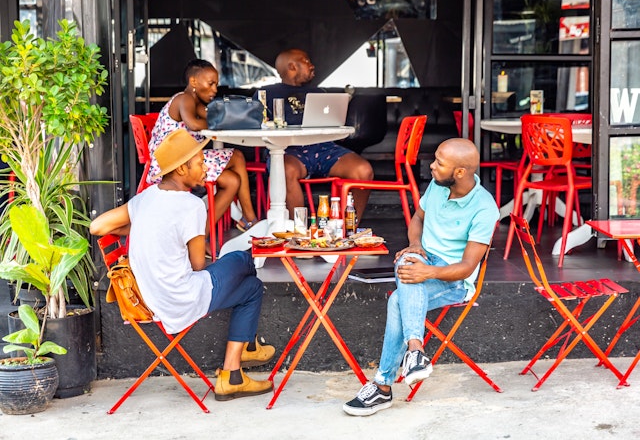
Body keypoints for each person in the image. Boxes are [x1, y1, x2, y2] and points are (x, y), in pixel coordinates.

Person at [90, 128, 274, 401]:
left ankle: (235, 371)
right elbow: (198, 265)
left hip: (150, 297)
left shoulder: (145, 199)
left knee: (251, 287)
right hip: (181, 299)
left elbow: (97, 226)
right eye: (200, 163)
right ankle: (240, 355)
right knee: (243, 259)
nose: (205, 168)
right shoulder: (191, 205)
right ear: (180, 169)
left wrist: (150, 226)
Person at [343, 138, 499, 416]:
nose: (432, 166)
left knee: (397, 301)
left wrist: (430, 271)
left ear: (460, 172)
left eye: (440, 162)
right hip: (425, 261)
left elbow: (466, 267)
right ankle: (414, 353)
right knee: (407, 260)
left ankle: (383, 386)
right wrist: (416, 244)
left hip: (454, 281)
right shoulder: (440, 187)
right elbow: (417, 218)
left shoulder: (485, 208)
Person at [256, 48, 374, 218]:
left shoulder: (320, 93)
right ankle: (298, 232)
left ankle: (347, 228)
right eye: (306, 61)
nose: (312, 66)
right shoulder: (266, 93)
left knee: (363, 170)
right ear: (292, 67)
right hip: (288, 150)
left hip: (325, 148)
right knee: (284, 170)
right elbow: (255, 123)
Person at [149, 59, 258, 232]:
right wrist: (217, 123)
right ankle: (250, 219)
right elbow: (193, 124)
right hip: (171, 163)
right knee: (237, 156)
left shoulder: (196, 103)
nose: (215, 89)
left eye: (216, 84)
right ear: (193, 81)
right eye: (211, 84)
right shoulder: (184, 99)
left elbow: (214, 119)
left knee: (232, 181)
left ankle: (200, 235)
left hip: (184, 160)